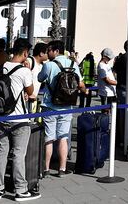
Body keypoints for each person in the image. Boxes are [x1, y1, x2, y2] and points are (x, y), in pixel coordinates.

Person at [0, 38, 40, 202]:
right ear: (25, 53)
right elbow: (31, 90)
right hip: (19, 118)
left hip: (2, 115)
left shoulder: (1, 66)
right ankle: (21, 190)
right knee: (19, 154)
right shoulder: (24, 71)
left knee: (1, 153)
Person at [38, 40, 85, 176]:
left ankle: (46, 169)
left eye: (49, 50)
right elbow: (81, 84)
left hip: (50, 106)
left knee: (49, 138)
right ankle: (62, 168)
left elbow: (40, 78)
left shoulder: (49, 66)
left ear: (56, 50)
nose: (48, 53)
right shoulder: (73, 64)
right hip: (67, 106)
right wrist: (85, 91)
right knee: (63, 138)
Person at [28, 43, 48, 112]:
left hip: (34, 99)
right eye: (47, 52)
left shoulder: (43, 65)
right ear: (41, 53)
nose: (48, 54)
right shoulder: (30, 61)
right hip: (26, 98)